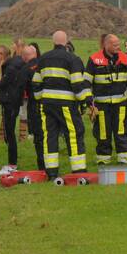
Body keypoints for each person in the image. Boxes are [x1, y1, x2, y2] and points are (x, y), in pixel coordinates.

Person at [32, 31, 91, 177]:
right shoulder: (73, 59)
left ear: (53, 41)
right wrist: (86, 101)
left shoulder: (43, 58)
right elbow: (78, 84)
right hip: (66, 104)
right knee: (73, 133)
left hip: (47, 104)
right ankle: (78, 169)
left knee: (49, 135)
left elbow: (36, 83)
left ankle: (51, 171)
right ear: (66, 42)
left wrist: (41, 98)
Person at [86, 34, 127, 165]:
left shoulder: (124, 59)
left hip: (120, 104)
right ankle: (103, 160)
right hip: (101, 105)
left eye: (118, 44)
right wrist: (88, 101)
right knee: (103, 133)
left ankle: (124, 159)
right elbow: (86, 82)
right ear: (106, 45)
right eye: (115, 45)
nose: (118, 47)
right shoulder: (94, 60)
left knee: (121, 131)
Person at [0, 44, 26, 176]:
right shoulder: (10, 65)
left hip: (10, 103)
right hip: (10, 102)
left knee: (10, 133)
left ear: (6, 55)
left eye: (0, 54)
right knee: (8, 133)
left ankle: (12, 164)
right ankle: (11, 163)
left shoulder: (9, 67)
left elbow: (0, 84)